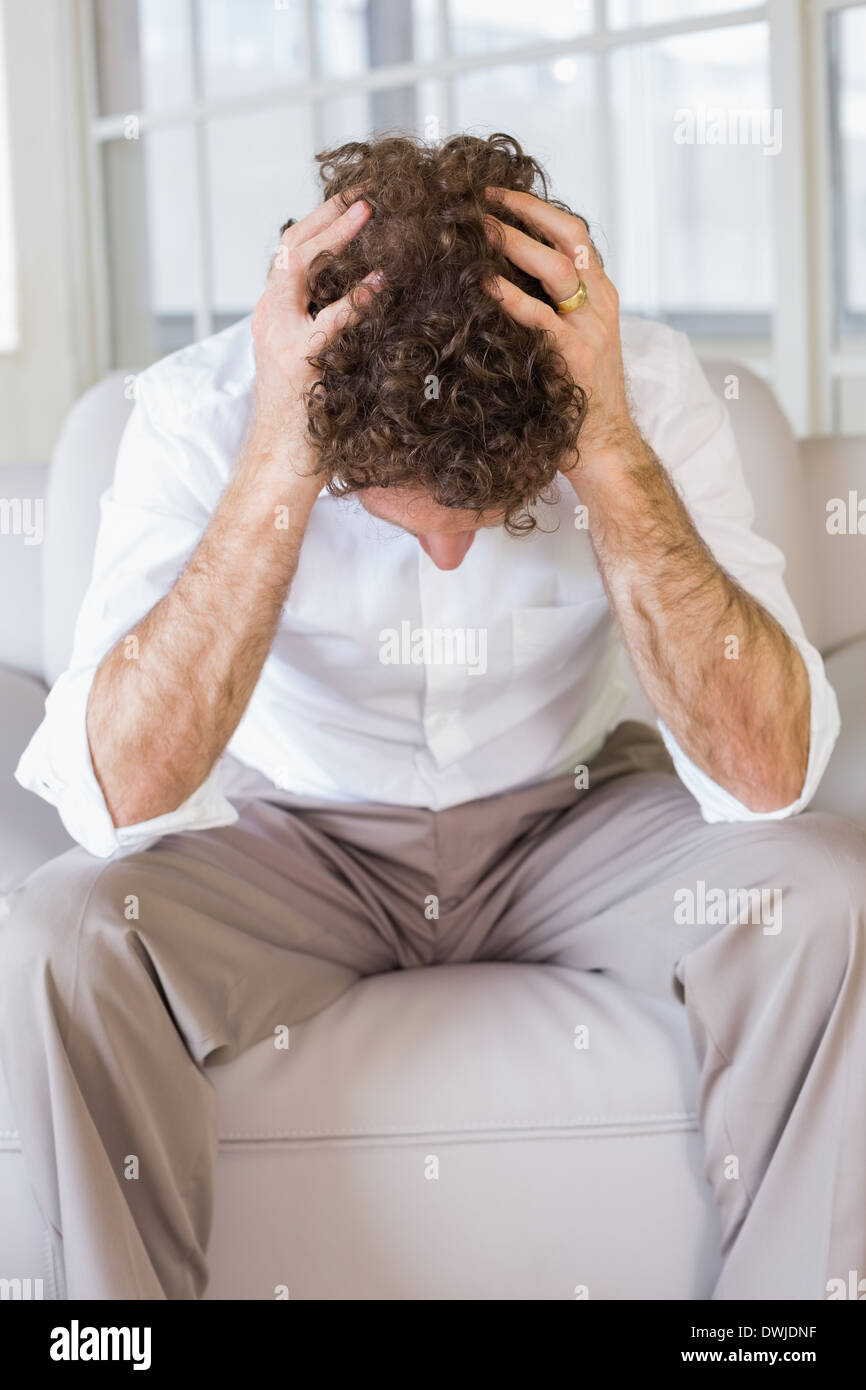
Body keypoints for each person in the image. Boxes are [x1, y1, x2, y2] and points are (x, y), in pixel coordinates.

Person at [1, 133, 863, 1300]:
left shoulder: (641, 386)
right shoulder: (201, 410)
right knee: (63, 934)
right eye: (411, 515)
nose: (454, 554)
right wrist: (277, 460)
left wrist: (605, 449)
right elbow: (112, 799)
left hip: (565, 814)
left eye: (493, 512)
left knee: (824, 895)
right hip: (284, 836)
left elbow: (767, 776)